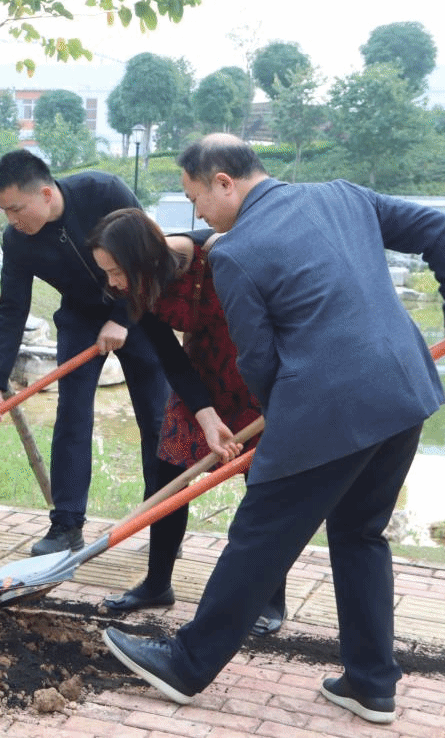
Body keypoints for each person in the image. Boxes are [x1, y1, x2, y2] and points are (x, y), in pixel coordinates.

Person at [102, 134, 445, 725]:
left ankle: (187, 665)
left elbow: (258, 359)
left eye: (196, 198)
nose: (198, 213)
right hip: (405, 392)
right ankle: (371, 683)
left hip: (328, 406)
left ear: (224, 182)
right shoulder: (344, 195)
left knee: (259, 534)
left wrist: (285, 424)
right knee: (360, 534)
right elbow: (440, 231)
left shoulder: (235, 252)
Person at [88, 208, 284, 636]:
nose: (113, 284)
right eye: (106, 273)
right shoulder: (141, 288)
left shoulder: (223, 255)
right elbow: (171, 356)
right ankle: (157, 584)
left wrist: (284, 386)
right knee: (168, 475)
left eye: (117, 271)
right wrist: (206, 416)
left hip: (258, 377)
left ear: (143, 259)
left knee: (263, 487)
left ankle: (270, 597)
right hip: (199, 377)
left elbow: (280, 316)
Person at [0, 149, 169, 556]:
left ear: (46, 194)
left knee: (156, 419)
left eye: (16, 209)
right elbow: (11, 310)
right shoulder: (18, 240)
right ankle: (66, 525)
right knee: (72, 416)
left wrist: (122, 317)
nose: (11, 220)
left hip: (139, 310)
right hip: (80, 319)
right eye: (4, 211)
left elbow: (149, 255)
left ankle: (164, 522)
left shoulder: (104, 191)